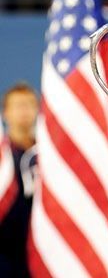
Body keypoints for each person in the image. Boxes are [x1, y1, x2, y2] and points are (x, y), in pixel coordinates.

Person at [0, 83, 39, 276]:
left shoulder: (49, 157)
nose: (23, 110)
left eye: (29, 104)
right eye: (17, 105)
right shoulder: (2, 159)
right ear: (5, 113)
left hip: (44, 250)